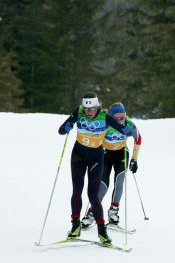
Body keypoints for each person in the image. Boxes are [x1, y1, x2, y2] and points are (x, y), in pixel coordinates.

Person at [58, 92, 131, 245]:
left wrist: (126, 131)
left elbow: (123, 129)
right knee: (76, 191)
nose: (88, 112)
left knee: (93, 195)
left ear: (97, 106)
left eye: (91, 109)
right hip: (78, 155)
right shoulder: (78, 112)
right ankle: (75, 227)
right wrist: (66, 127)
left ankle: (102, 232)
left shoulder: (105, 117)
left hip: (96, 157)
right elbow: (61, 130)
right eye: (86, 108)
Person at [81, 102, 141, 228]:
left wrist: (134, 159)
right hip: (106, 155)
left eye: (122, 116)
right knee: (103, 186)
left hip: (121, 154)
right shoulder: (105, 124)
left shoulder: (129, 124)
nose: (120, 120)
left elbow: (138, 138)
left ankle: (113, 212)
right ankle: (91, 214)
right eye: (117, 118)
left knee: (119, 181)